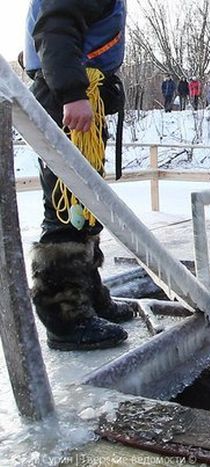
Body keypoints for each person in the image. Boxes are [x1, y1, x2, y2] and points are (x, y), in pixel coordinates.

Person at [23, 0, 136, 350]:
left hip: (82, 94)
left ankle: (88, 295)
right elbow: (55, 30)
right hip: (68, 99)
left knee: (85, 209)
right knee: (65, 208)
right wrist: (72, 92)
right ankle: (64, 316)